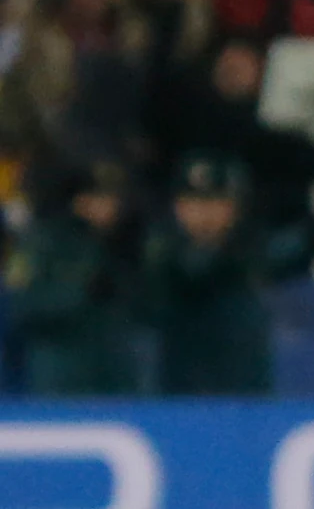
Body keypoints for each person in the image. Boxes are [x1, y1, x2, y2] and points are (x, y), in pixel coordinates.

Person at [7, 158, 141, 393]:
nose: (109, 206)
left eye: (113, 198)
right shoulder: (46, 241)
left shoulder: (128, 242)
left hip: (116, 369)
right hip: (60, 368)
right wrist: (81, 292)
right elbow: (22, 304)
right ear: (79, 201)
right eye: (99, 197)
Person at [144, 151, 270, 393]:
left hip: (244, 402)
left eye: (216, 201)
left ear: (236, 207)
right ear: (176, 207)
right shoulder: (157, 258)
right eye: (193, 202)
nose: (204, 213)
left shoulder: (257, 254)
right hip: (169, 399)